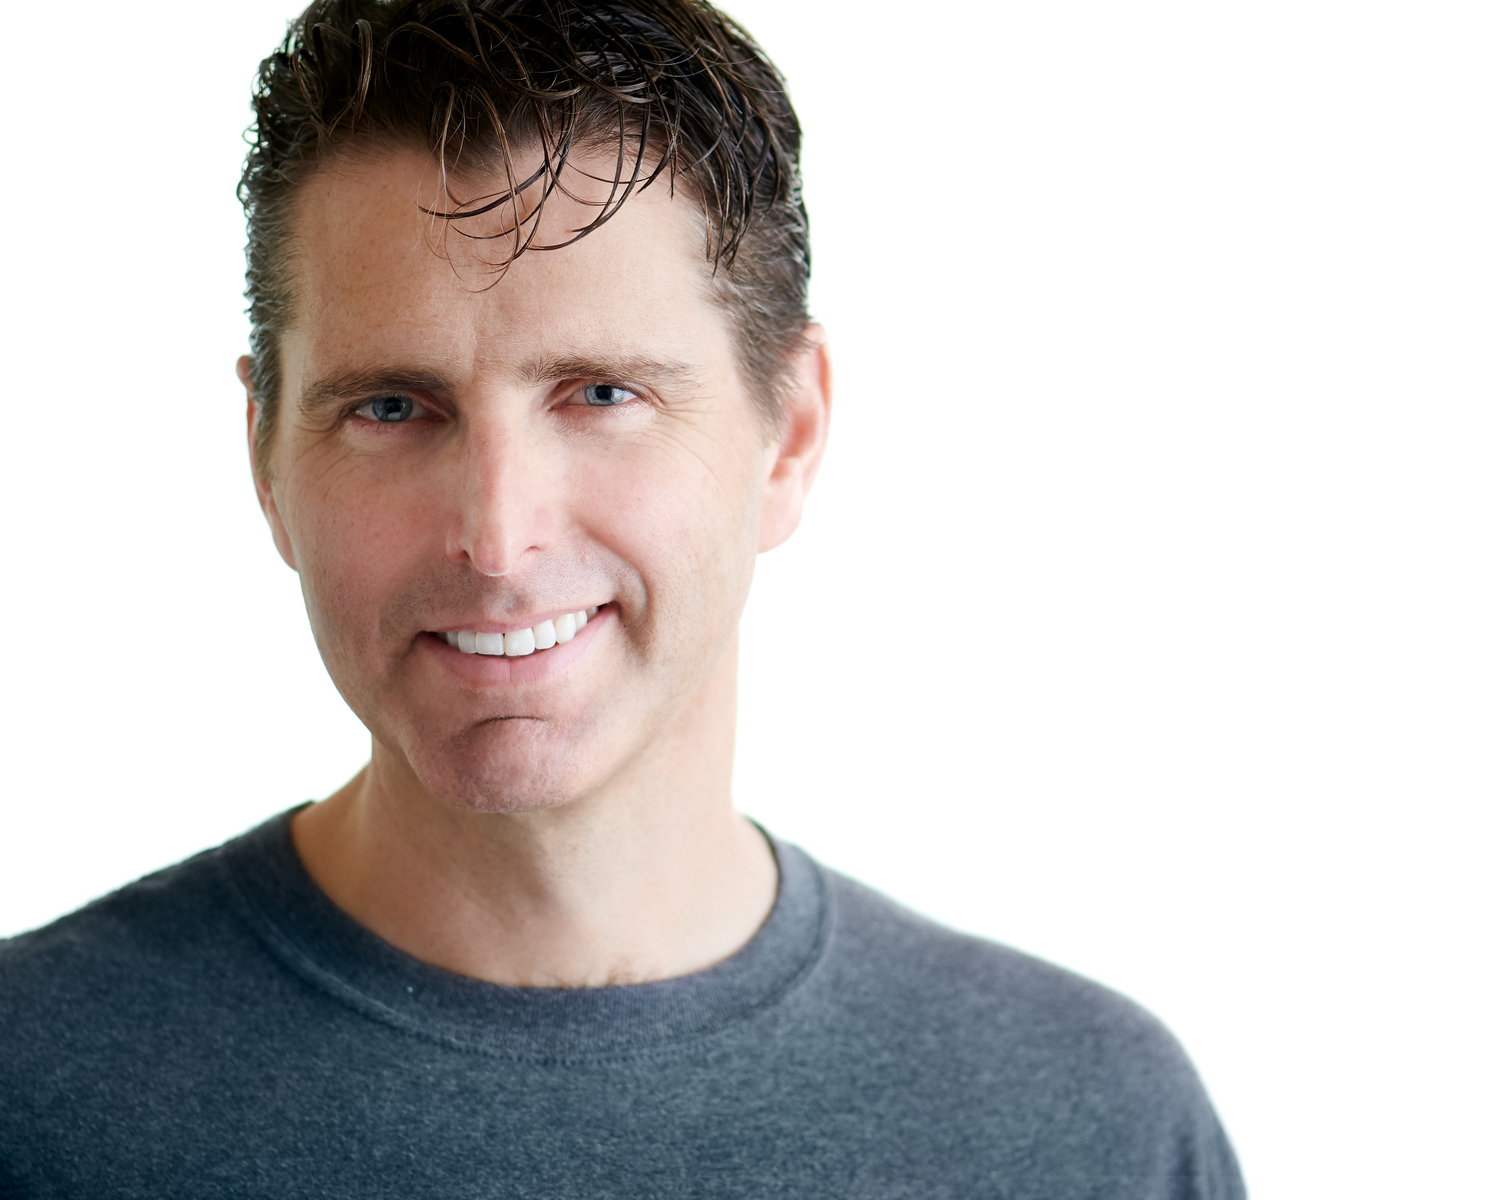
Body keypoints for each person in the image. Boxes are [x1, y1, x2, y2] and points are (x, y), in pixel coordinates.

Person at [0, 1, 1244, 1195]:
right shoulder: (33, 1096)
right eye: (391, 407)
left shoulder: (1090, 1128)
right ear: (266, 458)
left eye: (601, 395)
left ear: (791, 434)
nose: (497, 540)